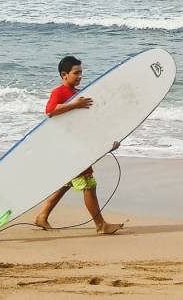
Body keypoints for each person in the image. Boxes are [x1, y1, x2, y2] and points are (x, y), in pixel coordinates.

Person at [31, 55, 124, 235]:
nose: (80, 76)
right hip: (70, 147)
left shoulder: (77, 95)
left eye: (81, 72)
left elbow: (86, 124)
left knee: (67, 182)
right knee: (89, 184)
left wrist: (107, 142)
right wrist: (75, 105)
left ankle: (42, 216)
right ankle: (100, 225)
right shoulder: (60, 92)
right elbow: (50, 111)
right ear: (64, 74)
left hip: (77, 145)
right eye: (76, 73)